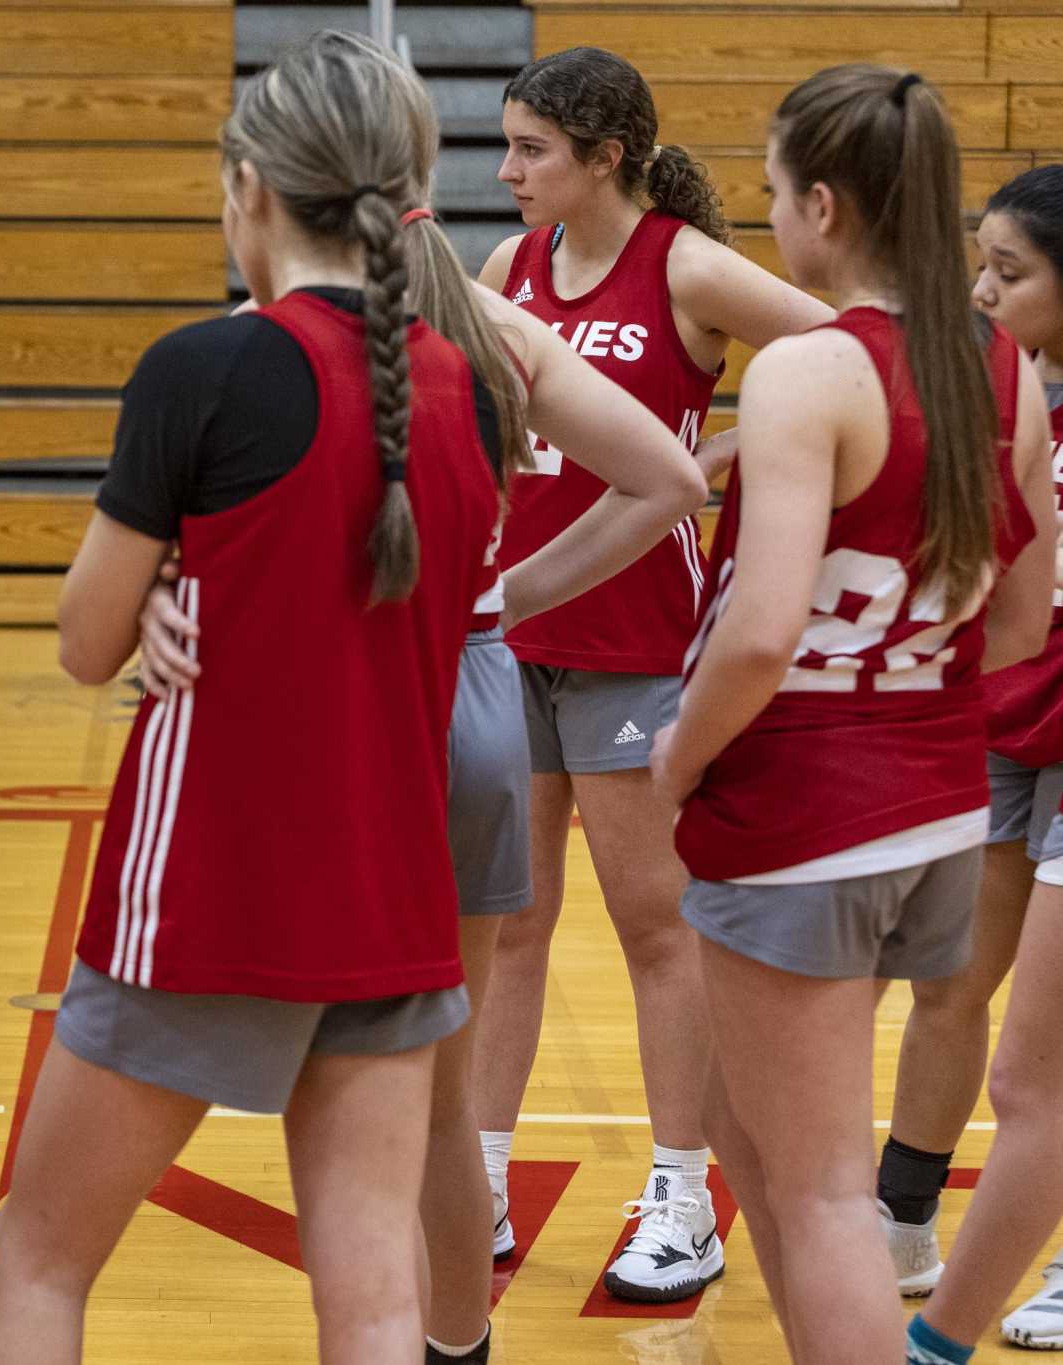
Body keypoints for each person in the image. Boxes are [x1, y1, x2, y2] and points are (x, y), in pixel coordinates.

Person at [0, 33, 701, 1365]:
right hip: (397, 872)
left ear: (251, 186)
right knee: (374, 1298)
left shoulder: (206, 368)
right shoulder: (476, 371)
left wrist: (149, 598)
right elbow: (647, 484)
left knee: (39, 1259)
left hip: (215, 873)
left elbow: (85, 644)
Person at [652, 66, 1054, 1364]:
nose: (767, 221)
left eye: (771, 194)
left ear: (823, 203)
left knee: (817, 1187)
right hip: (936, 814)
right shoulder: (1002, 365)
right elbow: (1015, 624)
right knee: (754, 1141)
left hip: (804, 821)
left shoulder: (810, 370)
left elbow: (761, 632)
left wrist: (679, 751)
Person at [473, 44, 835, 1301]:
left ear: (604, 156)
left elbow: (847, 350)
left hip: (639, 648)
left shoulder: (679, 262)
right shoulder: (504, 270)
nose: (506, 169)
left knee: (654, 931)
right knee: (505, 925)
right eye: (507, 144)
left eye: (530, 148)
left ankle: (681, 1194)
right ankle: (477, 1180)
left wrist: (729, 455)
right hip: (510, 638)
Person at [877, 161, 1063, 1304]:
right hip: (1001, 714)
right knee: (947, 981)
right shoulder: (985, 389)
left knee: (1037, 1051)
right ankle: (897, 1218)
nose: (979, 293)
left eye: (1008, 272)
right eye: (975, 267)